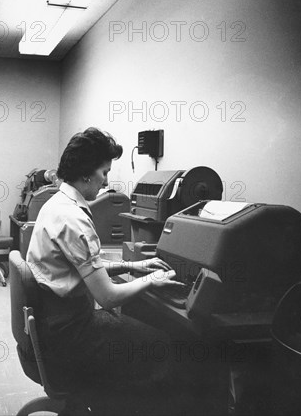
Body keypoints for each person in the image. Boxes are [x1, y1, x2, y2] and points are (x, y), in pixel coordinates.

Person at [26, 127, 204, 414]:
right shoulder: (73, 219)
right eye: (104, 172)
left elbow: (81, 265)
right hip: (72, 336)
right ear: (86, 173)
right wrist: (152, 279)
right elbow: (107, 297)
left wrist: (131, 265)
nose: (106, 180)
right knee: (163, 346)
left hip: (56, 326)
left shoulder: (55, 204)